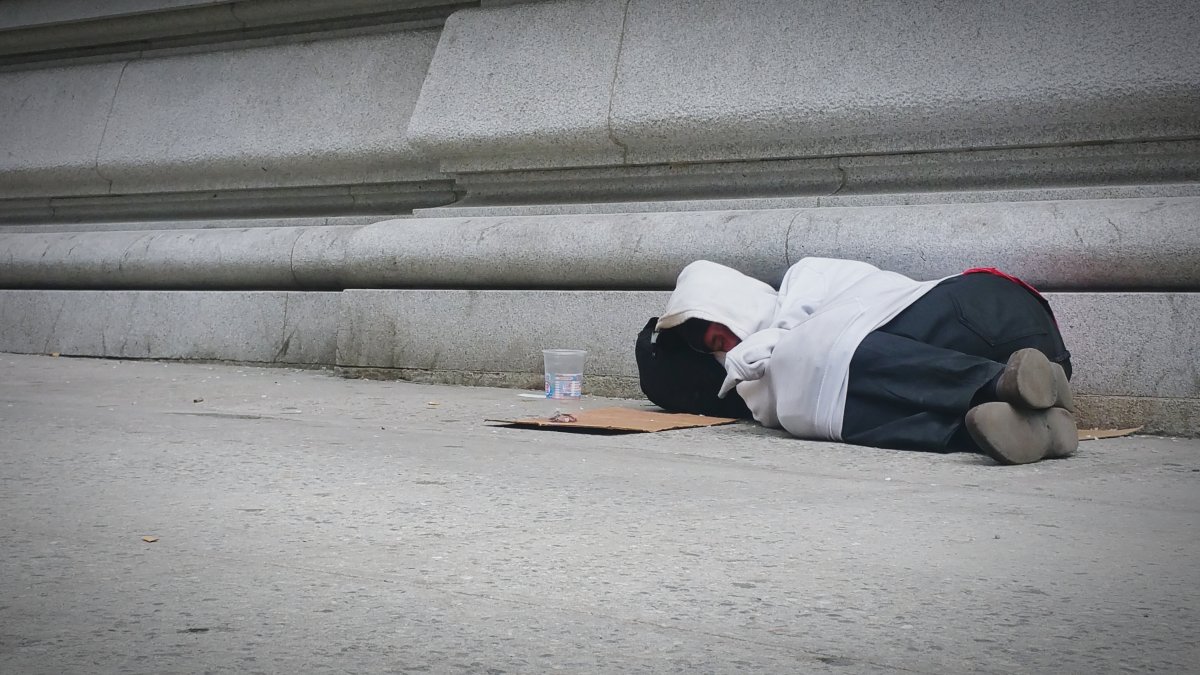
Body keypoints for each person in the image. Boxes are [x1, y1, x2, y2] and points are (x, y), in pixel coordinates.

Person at [635, 258, 1076, 465]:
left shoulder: (803, 280)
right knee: (820, 407)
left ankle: (1001, 383)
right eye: (719, 351)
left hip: (988, 314)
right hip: (1014, 359)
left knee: (806, 368)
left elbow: (802, 341)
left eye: (723, 333)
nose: (731, 350)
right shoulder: (767, 375)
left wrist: (775, 353)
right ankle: (1027, 426)